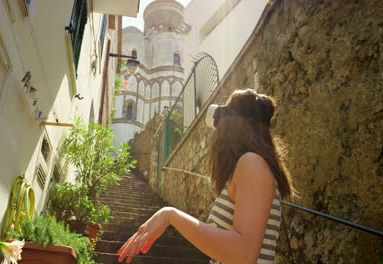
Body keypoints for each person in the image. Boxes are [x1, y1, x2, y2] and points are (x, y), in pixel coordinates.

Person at [117, 89, 295, 264]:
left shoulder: (252, 163)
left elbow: (244, 255)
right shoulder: (250, 166)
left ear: (229, 127)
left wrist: (170, 215)